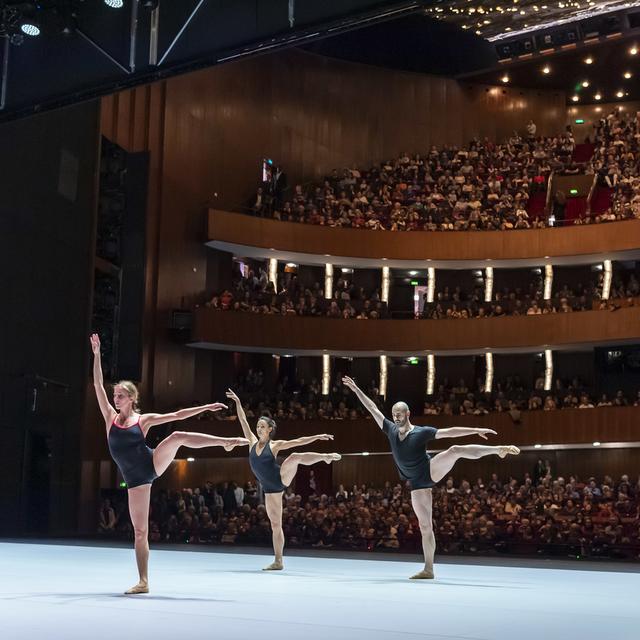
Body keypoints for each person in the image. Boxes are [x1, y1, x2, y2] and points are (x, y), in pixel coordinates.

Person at [90, 334, 248, 594]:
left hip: (151, 462)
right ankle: (144, 581)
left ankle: (226, 441)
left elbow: (176, 415)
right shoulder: (109, 417)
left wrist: (205, 408)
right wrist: (97, 355)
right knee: (140, 532)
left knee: (176, 436)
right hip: (135, 480)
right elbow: (97, 383)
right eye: (114, 395)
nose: (115, 399)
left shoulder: (143, 420)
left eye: (119, 396)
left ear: (131, 398)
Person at [342, 375, 519, 579]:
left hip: (429, 469)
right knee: (425, 526)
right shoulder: (390, 429)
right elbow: (372, 407)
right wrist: (356, 389)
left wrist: (475, 429)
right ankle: (429, 569)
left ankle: (498, 450)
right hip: (416, 483)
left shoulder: (421, 432)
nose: (396, 416)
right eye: (393, 413)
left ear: (408, 414)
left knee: (454, 449)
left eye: (399, 413)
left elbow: (450, 432)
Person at [226, 388, 341, 570]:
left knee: (295, 455)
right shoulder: (251, 442)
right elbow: (242, 420)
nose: (258, 429)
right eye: (258, 426)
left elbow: (298, 441)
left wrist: (317, 437)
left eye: (262, 427)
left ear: (270, 430)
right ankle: (278, 561)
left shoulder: (274, 445)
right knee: (276, 525)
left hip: (280, 479)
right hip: (269, 490)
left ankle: (325, 457)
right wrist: (238, 402)